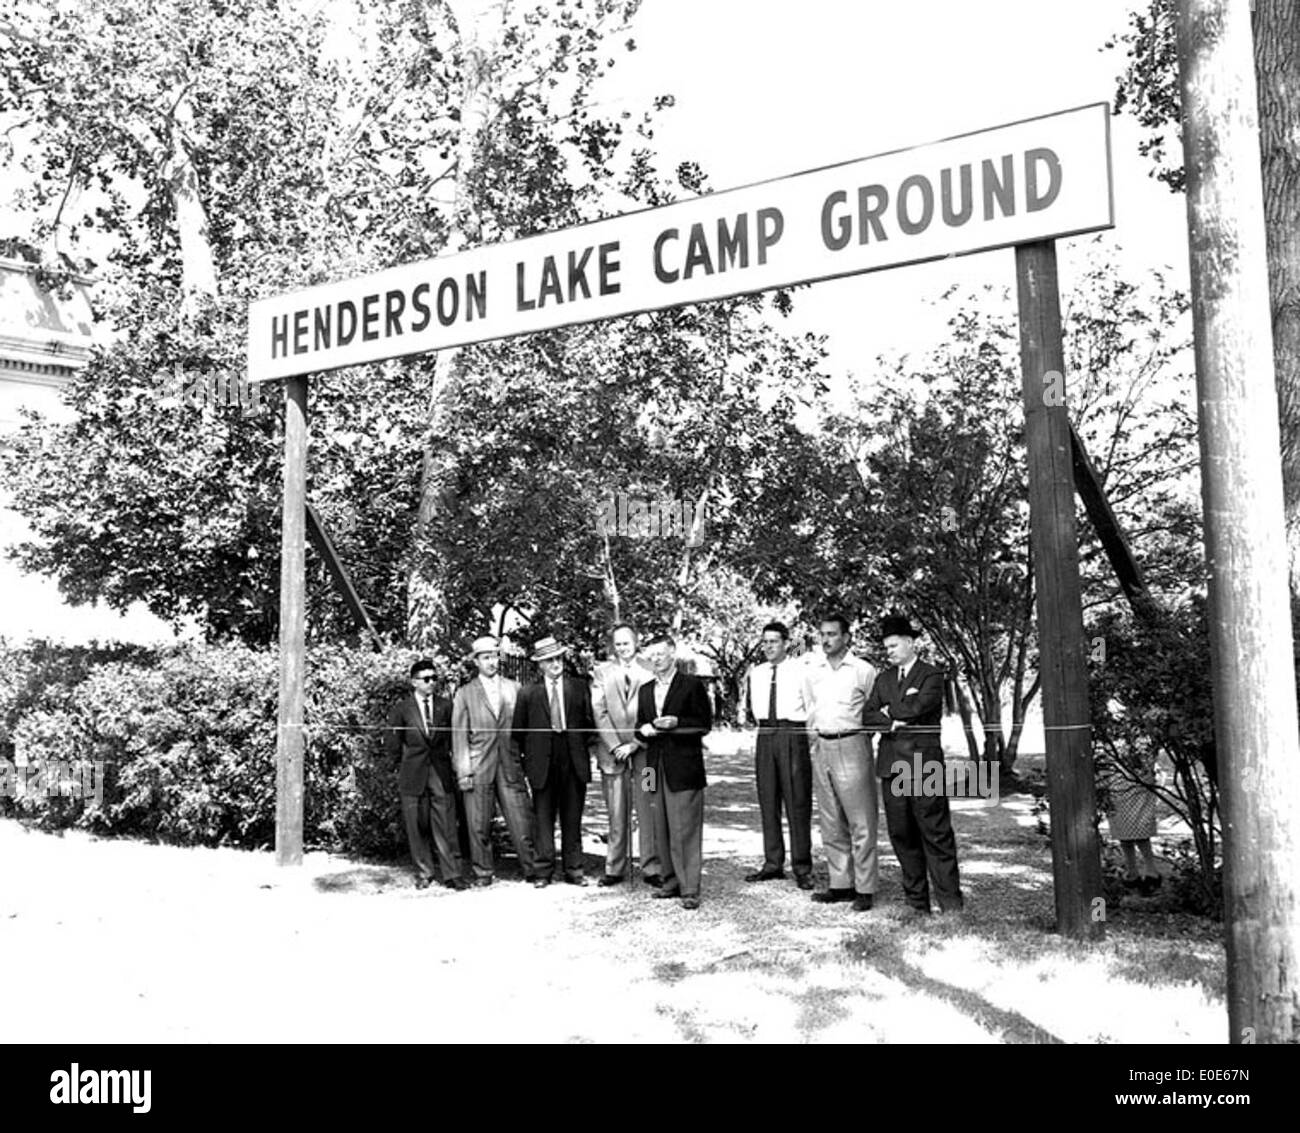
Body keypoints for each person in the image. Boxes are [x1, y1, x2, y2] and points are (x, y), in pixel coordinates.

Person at [864, 614, 964, 915]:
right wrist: (893, 717)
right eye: (886, 647)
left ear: (910, 643)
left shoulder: (932, 675)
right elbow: (868, 715)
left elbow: (919, 707)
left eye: (894, 646)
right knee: (902, 834)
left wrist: (889, 713)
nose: (889, 652)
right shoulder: (882, 679)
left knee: (936, 833)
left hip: (924, 765)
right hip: (891, 766)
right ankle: (916, 903)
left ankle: (950, 905)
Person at [803, 615, 879, 912]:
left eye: (832, 634)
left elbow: (874, 711)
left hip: (852, 743)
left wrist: (859, 741)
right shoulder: (813, 672)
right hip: (822, 745)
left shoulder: (863, 670)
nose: (826, 640)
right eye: (822, 634)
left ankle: (865, 888)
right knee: (830, 819)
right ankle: (840, 884)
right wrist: (815, 742)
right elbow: (811, 708)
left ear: (846, 637)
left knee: (861, 820)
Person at [452, 636, 538, 886]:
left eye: (494, 656)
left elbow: (525, 731)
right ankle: (482, 872)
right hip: (478, 766)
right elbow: (459, 736)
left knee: (521, 818)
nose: (491, 661)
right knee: (478, 823)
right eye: (485, 657)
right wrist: (463, 772)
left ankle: (531, 868)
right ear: (476, 662)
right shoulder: (465, 693)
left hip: (510, 763)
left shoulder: (514, 688)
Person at [511, 636, 597, 887]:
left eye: (558, 658)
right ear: (540, 664)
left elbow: (590, 724)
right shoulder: (528, 692)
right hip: (542, 763)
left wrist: (585, 751)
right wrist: (529, 764)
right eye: (549, 660)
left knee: (572, 817)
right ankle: (543, 872)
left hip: (572, 760)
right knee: (544, 819)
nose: (555, 663)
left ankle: (574, 869)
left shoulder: (579, 687)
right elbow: (518, 732)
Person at [635, 633, 712, 910]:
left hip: (684, 766)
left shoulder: (691, 685)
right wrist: (642, 730)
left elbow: (704, 723)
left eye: (660, 653)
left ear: (672, 653)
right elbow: (639, 726)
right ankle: (669, 882)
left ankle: (689, 888)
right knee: (658, 825)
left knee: (685, 828)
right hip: (651, 767)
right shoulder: (645, 689)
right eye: (651, 655)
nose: (655, 659)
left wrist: (676, 722)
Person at [385, 659, 468, 891]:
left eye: (434, 678)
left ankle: (452, 874)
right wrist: (403, 767)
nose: (432, 683)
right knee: (416, 826)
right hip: (413, 775)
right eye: (426, 679)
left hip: (440, 774)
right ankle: (424, 872)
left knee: (447, 825)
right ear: (414, 682)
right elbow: (393, 744)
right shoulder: (401, 709)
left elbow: (455, 738)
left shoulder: (446, 706)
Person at [742, 621, 813, 889]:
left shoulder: (800, 670)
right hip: (766, 734)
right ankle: (773, 863)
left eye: (774, 641)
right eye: (765, 642)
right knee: (767, 799)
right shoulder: (757, 673)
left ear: (786, 643)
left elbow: (811, 705)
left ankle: (802, 866)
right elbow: (754, 708)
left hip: (792, 733)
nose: (768, 646)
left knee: (797, 800)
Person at [591, 623, 660, 887]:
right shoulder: (601, 672)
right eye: (617, 643)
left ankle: (652, 866)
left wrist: (636, 743)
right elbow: (599, 711)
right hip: (612, 755)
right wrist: (614, 745)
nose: (622, 648)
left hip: (646, 754)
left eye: (626, 643)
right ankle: (614, 867)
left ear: (636, 642)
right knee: (616, 811)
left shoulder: (651, 669)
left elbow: (655, 710)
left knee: (649, 807)